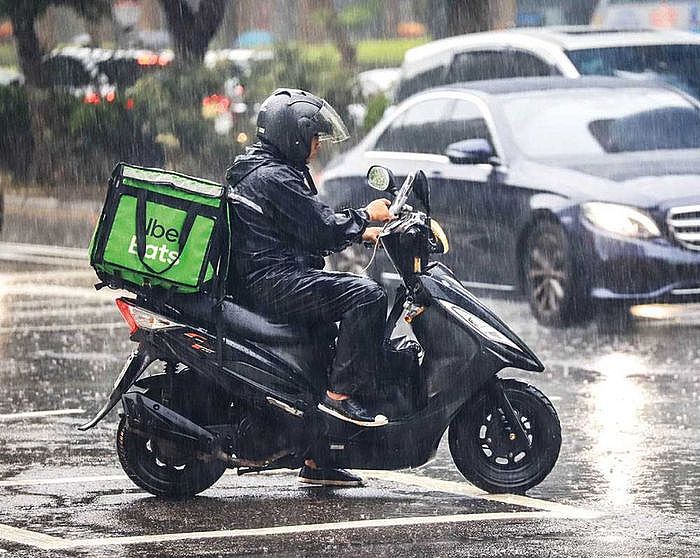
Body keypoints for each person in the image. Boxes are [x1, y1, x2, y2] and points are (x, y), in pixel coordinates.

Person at [225, 88, 392, 487]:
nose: (317, 145)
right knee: (367, 296)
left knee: (325, 345)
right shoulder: (274, 176)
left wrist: (360, 231)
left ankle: (319, 455)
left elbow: (304, 225)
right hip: (273, 281)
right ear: (293, 135)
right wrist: (364, 216)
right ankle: (340, 401)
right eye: (314, 137)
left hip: (266, 276)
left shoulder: (263, 168)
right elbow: (319, 229)